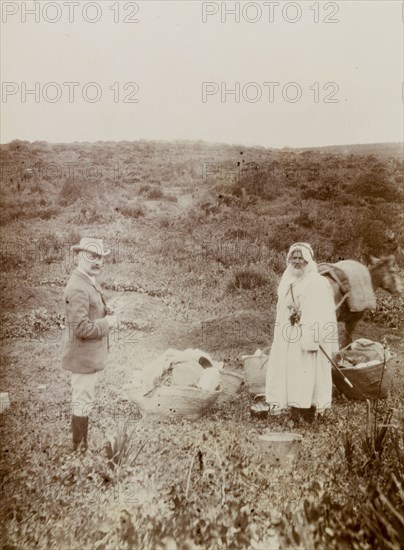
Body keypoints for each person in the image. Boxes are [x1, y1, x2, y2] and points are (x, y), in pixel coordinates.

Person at [264, 242, 338, 419]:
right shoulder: (287, 281)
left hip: (307, 335)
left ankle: (306, 408)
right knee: (288, 369)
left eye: (300, 258)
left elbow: (320, 311)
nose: (297, 261)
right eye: (293, 258)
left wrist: (303, 320)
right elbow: (282, 308)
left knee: (304, 369)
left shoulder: (316, 282)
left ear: (308, 260)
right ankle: (289, 404)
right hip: (287, 334)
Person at [62, 237, 117, 451]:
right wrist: (107, 323)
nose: (99, 262)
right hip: (82, 357)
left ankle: (80, 445)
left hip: (86, 356)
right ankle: (78, 449)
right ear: (79, 256)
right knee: (82, 399)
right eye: (92, 257)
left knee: (85, 397)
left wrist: (105, 311)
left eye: (101, 257)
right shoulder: (78, 286)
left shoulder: (88, 280)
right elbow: (81, 328)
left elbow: (90, 309)